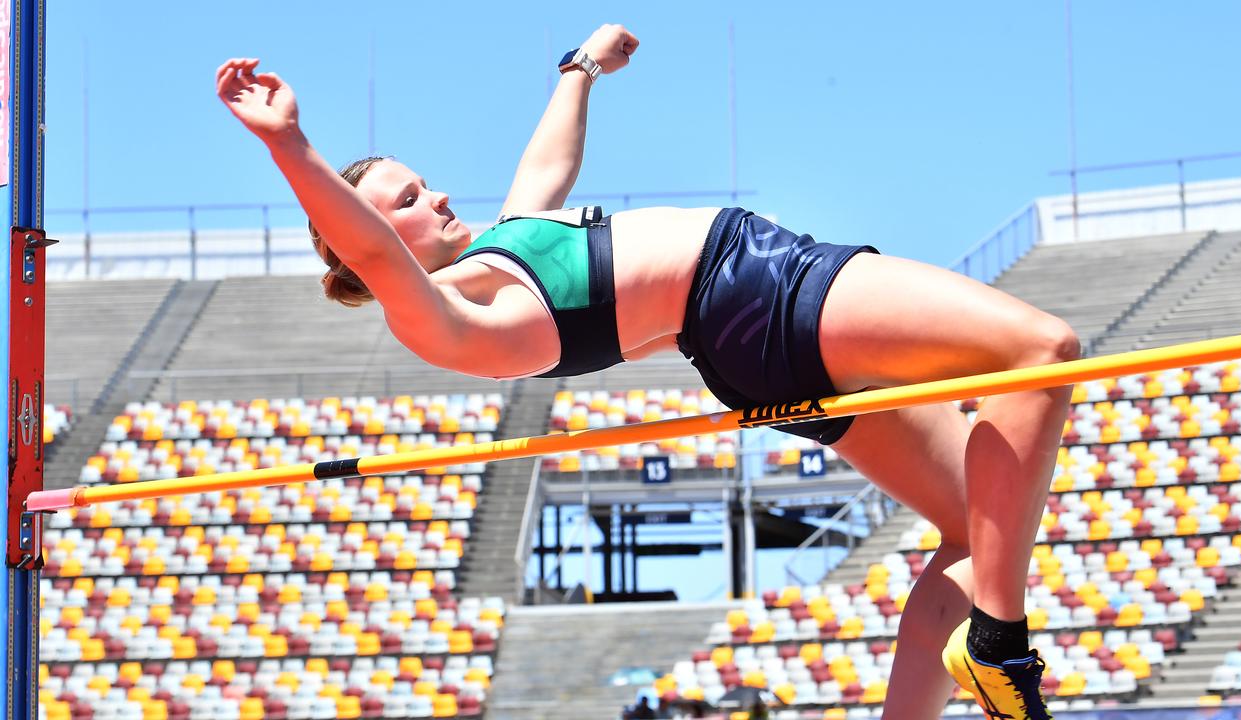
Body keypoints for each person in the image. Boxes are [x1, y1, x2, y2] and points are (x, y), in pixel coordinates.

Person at [217, 23, 1076, 720]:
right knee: (1040, 349)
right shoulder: (446, 315)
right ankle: (1000, 639)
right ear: (372, 257)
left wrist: (581, 67)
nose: (435, 198)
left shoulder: (501, 252)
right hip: (744, 288)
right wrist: (291, 146)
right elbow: (363, 240)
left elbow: (544, 170)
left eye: (424, 183)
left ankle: (958, 665)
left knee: (976, 525)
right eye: (407, 203)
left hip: (742, 335)